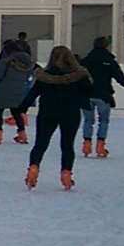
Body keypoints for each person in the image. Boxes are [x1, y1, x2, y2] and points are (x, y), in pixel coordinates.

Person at [18, 46, 92, 190]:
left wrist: (22, 108)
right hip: (70, 113)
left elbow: (32, 93)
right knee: (67, 145)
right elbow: (89, 91)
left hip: (47, 112)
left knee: (40, 144)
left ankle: (33, 168)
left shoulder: (44, 76)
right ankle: (66, 173)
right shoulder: (79, 75)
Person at [79, 37, 124, 158]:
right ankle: (100, 146)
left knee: (88, 120)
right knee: (103, 120)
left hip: (86, 94)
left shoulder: (85, 60)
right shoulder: (109, 61)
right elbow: (120, 78)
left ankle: (87, 145)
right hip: (103, 94)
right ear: (106, 46)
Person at [0, 40, 37, 144]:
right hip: (20, 91)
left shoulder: (6, 61)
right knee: (17, 112)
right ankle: (22, 134)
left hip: (3, 90)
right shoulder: (29, 62)